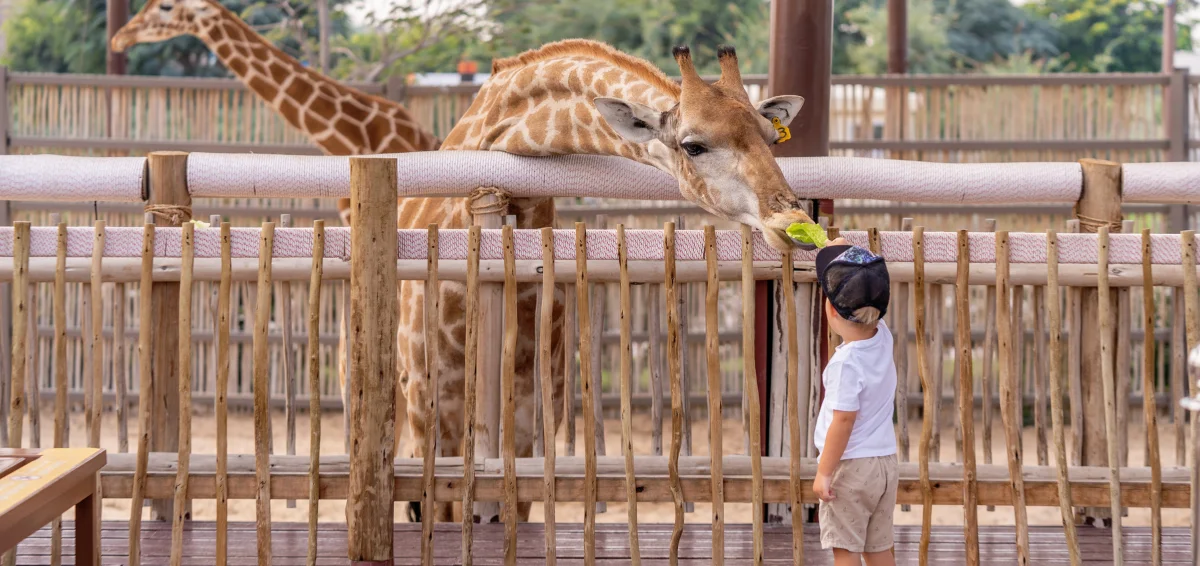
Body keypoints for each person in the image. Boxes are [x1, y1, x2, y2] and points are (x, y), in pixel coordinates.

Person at [811, 238, 898, 566]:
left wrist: (824, 472)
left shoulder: (846, 363)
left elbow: (843, 421)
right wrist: (844, 248)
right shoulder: (883, 336)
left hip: (851, 468)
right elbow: (868, 288)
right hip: (885, 465)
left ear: (830, 310)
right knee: (878, 548)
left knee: (845, 548)